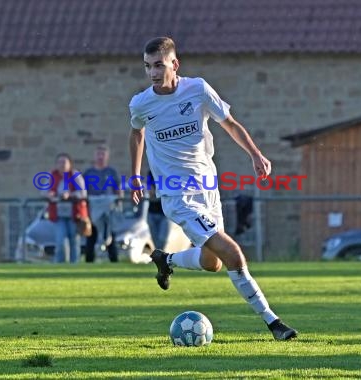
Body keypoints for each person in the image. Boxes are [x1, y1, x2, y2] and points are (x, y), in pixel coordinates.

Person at [128, 37, 298, 340]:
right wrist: (136, 175)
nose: (153, 73)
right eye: (147, 66)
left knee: (212, 262)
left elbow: (230, 123)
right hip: (176, 196)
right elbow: (137, 133)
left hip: (207, 187)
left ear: (174, 64)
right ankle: (274, 322)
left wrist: (256, 154)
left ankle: (165, 260)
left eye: (158, 65)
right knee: (233, 253)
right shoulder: (142, 103)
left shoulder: (198, 90)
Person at [46, 153, 91, 263]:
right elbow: (44, 191)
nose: (62, 165)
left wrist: (70, 195)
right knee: (60, 240)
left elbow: (83, 193)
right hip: (58, 214)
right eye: (59, 162)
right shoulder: (52, 176)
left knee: (74, 240)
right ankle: (60, 264)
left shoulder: (75, 176)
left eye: (64, 162)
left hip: (74, 214)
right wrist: (49, 194)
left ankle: (74, 265)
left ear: (70, 164)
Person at [83, 145, 123, 263]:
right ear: (95, 156)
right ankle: (89, 263)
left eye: (103, 154)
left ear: (107, 156)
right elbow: (83, 190)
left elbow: (118, 190)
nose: (100, 157)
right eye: (98, 154)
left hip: (108, 210)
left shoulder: (112, 172)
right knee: (91, 237)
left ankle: (114, 262)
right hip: (93, 210)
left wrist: (118, 203)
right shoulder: (88, 172)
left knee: (111, 237)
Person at [147, 170, 170, 250]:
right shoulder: (151, 172)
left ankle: (161, 256)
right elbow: (150, 192)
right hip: (152, 212)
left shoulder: (167, 172)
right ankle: (159, 257)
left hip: (164, 213)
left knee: (162, 239)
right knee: (155, 240)